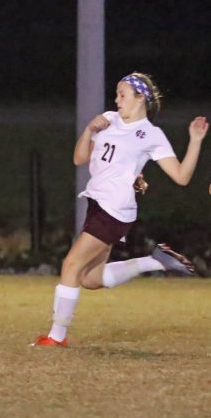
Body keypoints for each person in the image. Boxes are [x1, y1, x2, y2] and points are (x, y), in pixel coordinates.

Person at [33, 72, 208, 347]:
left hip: (114, 209)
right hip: (97, 204)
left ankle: (56, 337)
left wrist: (195, 140)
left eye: (122, 94)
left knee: (71, 264)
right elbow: (79, 158)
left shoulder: (151, 135)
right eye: (116, 94)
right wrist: (90, 130)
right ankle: (155, 261)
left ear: (141, 98)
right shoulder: (109, 120)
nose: (117, 100)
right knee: (89, 279)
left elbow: (181, 177)